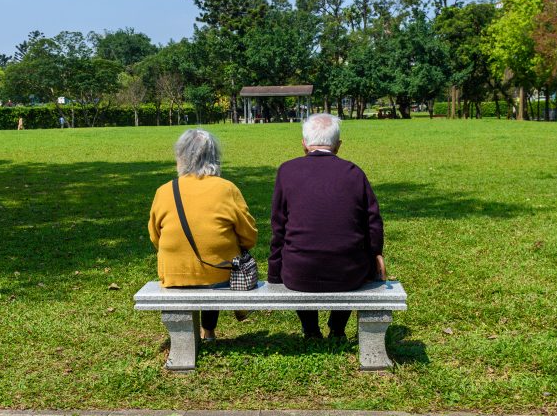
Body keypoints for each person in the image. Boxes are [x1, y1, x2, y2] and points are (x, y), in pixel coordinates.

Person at [268, 113, 386, 339]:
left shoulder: (287, 171)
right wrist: (375, 255)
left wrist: (274, 273)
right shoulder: (354, 173)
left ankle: (311, 329)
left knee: (303, 257)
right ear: (338, 145)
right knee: (348, 254)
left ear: (304, 143)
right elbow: (373, 222)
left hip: (297, 273)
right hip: (349, 273)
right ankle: (338, 328)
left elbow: (279, 228)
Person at [148, 129, 258, 340]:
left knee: (205, 263)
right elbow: (249, 237)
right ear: (214, 156)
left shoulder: (164, 191)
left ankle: (192, 337)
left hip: (174, 275)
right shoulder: (227, 189)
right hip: (219, 275)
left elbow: (155, 237)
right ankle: (209, 330)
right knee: (218, 261)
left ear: (180, 157)